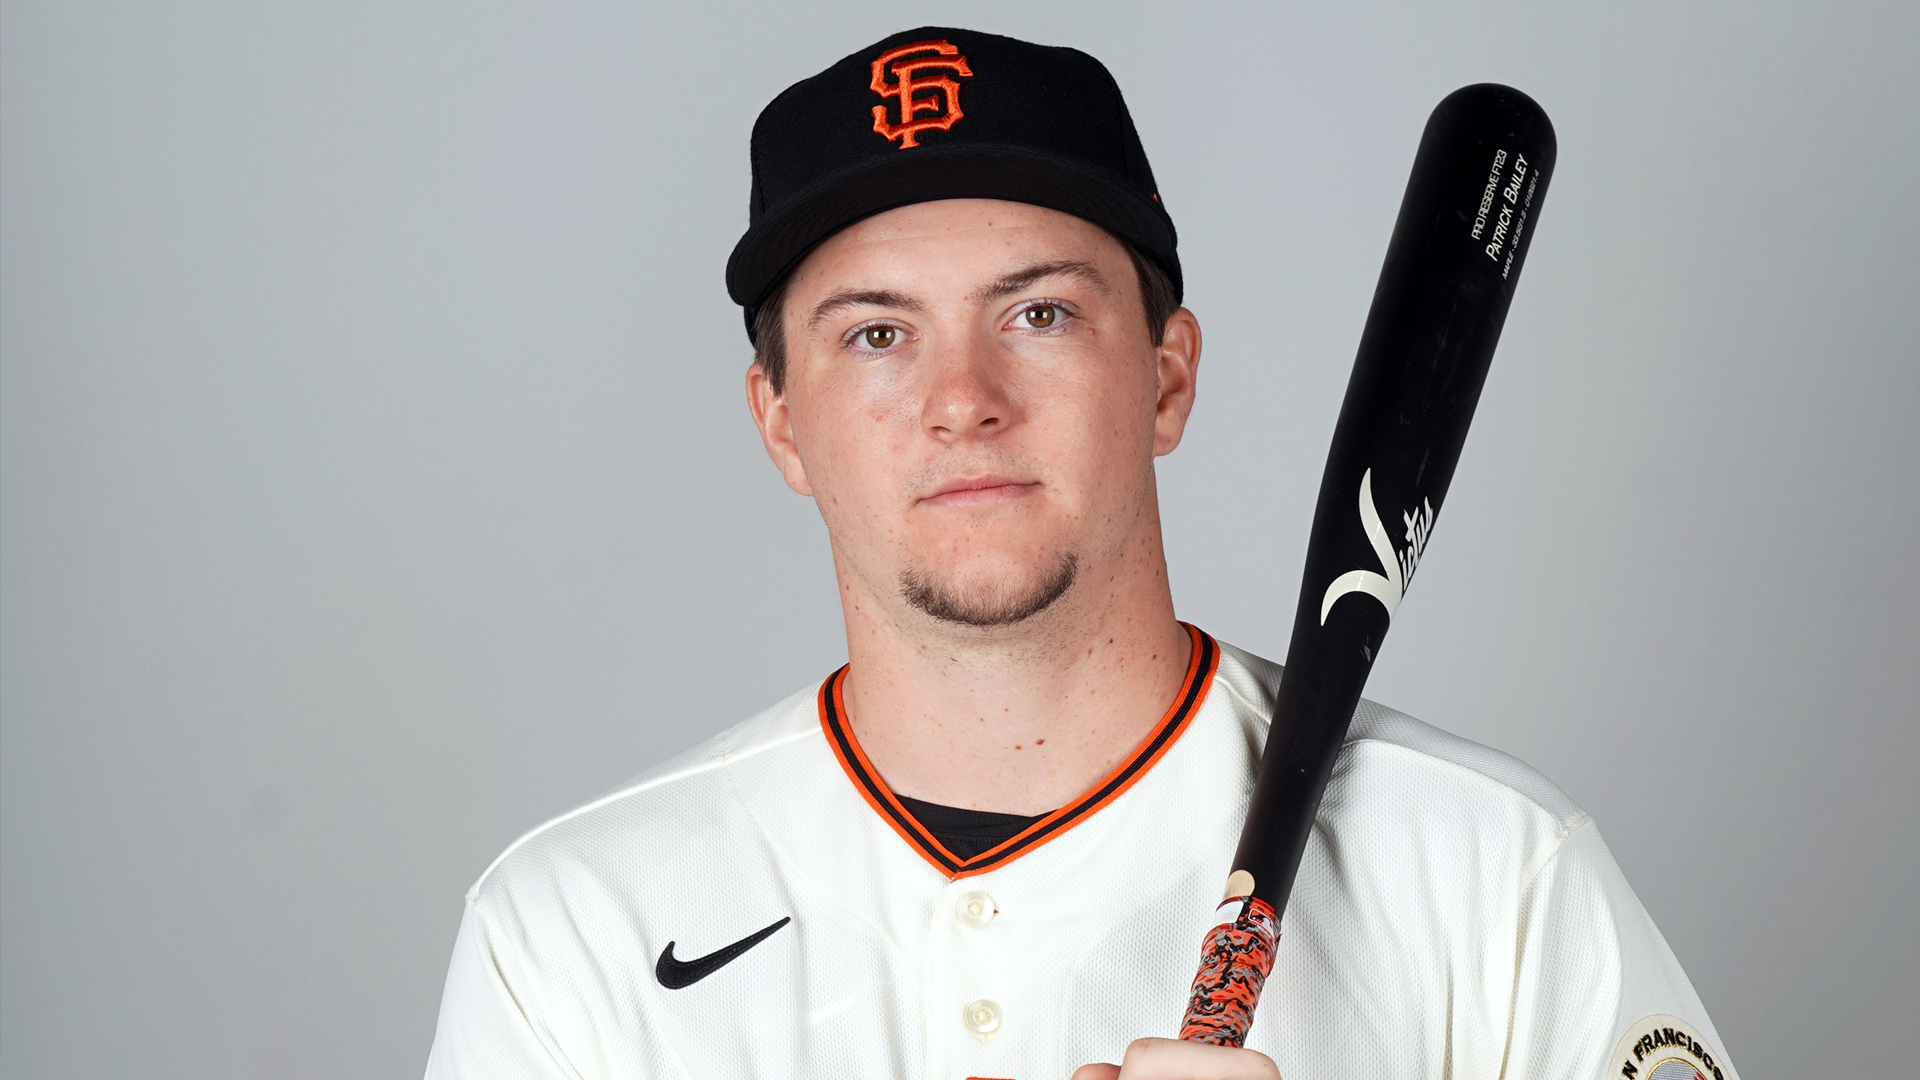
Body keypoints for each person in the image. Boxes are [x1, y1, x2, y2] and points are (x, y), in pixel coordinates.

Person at [425, 27, 1738, 1080]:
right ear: (780, 422)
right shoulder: (569, 935)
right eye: (876, 334)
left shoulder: (1488, 878)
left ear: (1166, 380)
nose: (964, 396)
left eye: (1040, 312)